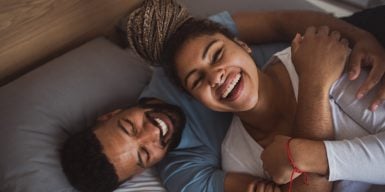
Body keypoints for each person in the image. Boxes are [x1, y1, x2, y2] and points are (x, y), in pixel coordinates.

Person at [127, 0, 385, 191]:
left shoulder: (317, 58)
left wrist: (313, 88)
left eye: (217, 55)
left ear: (243, 45)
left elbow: (278, 21)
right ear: (198, 100)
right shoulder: (236, 158)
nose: (215, 76)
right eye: (198, 80)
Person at [60, 97, 186, 192]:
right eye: (145, 153)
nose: (154, 131)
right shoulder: (189, 165)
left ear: (110, 115)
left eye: (129, 127)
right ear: (141, 172)